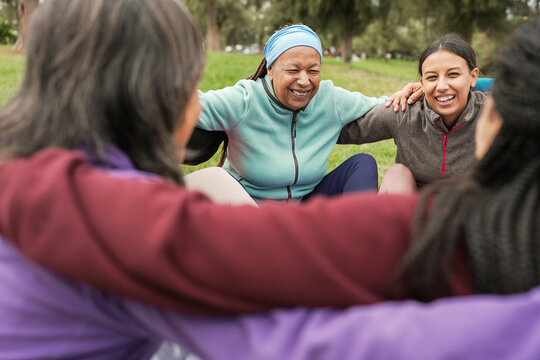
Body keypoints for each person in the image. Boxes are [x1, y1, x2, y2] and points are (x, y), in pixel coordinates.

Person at [1, 14, 540, 358]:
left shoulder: (49, 188)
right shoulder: (118, 226)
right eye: (190, 83)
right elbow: (292, 339)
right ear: (159, 100)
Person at [190, 24, 411, 202]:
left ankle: (354, 240)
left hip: (304, 206)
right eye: (293, 70)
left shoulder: (330, 98)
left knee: (363, 163)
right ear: (271, 69)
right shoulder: (245, 99)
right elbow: (187, 104)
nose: (304, 81)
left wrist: (416, 93)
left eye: (313, 71)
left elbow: (383, 105)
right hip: (249, 207)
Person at [339, 34, 486, 194]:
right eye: (432, 77)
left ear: (473, 77)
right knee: (397, 174)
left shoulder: (494, 113)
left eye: (453, 74)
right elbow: (345, 129)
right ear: (422, 82)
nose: (442, 86)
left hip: (472, 211)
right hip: (412, 211)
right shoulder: (405, 112)